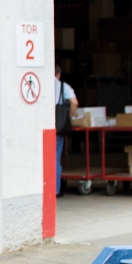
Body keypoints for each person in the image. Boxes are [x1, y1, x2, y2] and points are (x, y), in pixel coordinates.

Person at [54, 65, 78, 196]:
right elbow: (74, 103)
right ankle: (56, 190)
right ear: (58, 74)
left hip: (43, 128)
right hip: (58, 127)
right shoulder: (63, 87)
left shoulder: (41, 84)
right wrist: (70, 117)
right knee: (55, 158)